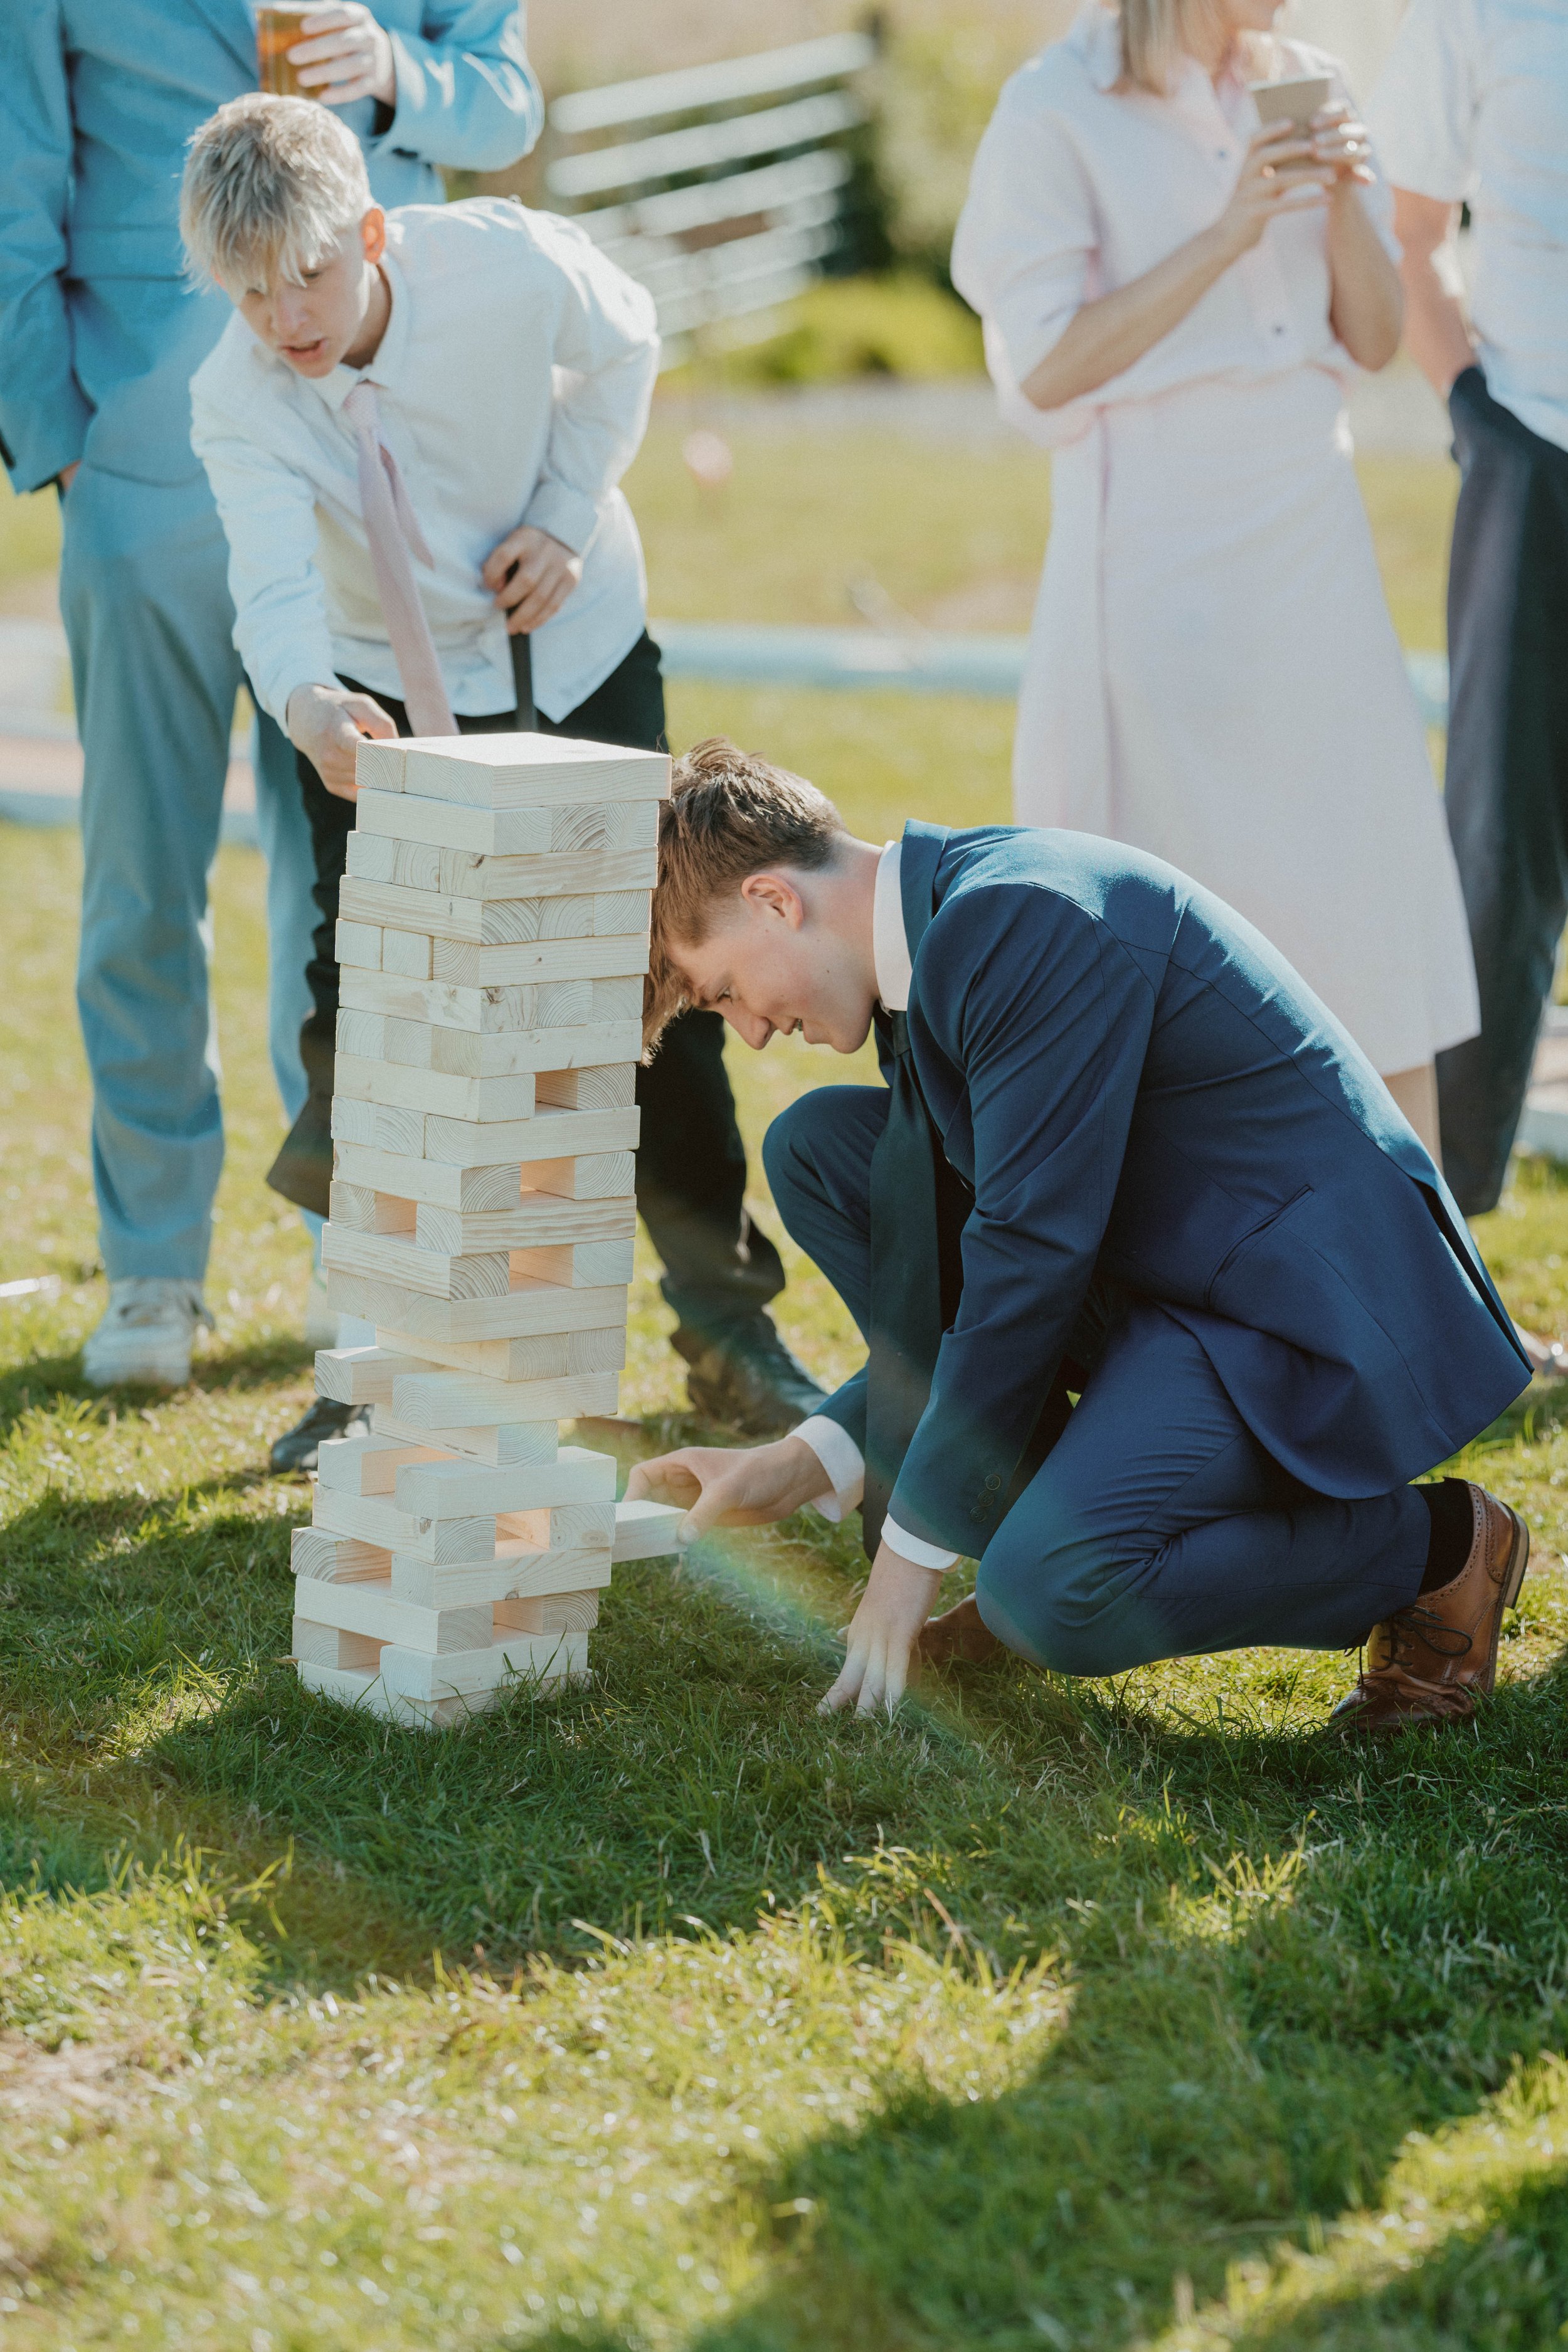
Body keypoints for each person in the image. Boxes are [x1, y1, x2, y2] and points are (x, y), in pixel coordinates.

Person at [628, 741, 1534, 1735]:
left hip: (1289, 1317)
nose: (748, 1031)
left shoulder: (1018, 916)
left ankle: (1437, 1549)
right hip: (1164, 1283)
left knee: (1054, 1594)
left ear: (772, 900)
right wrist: (805, 1457)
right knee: (820, 1150)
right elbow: (959, 1271)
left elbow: (1025, 1258)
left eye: (720, 993)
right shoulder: (933, 943)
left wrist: (906, 1565)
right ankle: (1054, 1506)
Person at [181, 96, 826, 1469]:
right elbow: (270, 587)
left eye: (308, 273)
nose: (286, 319)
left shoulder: (509, 264)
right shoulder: (234, 399)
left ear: (367, 231)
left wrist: (562, 509)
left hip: (570, 644)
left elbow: (630, 341)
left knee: (659, 983)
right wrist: (309, 706)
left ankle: (728, 1335)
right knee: (362, 1009)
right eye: (247, 294)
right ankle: (385, 1359)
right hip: (371, 702)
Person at [0, 0, 541, 1390]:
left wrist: (403, 74)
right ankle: (153, 1273)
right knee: (139, 876)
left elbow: (504, 108)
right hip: (142, 462)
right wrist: (61, 440)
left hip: (366, 467)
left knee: (352, 883)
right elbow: (14, 180)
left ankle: (348, 1248)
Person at [949, 0, 1478, 1164]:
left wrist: (1344, 199)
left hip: (1312, 541)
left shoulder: (1312, 78)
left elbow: (1377, 338)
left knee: (1365, 892)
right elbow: (1043, 370)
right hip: (1158, 556)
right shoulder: (1055, 107)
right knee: (1187, 908)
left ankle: (1437, 1287)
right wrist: (1230, 230)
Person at [1367, 1, 1568, 1217]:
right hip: (1532, 457)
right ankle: (1445, 1249)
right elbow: (1405, 233)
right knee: (1495, 853)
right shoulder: (1477, 14)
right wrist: (1476, 423)